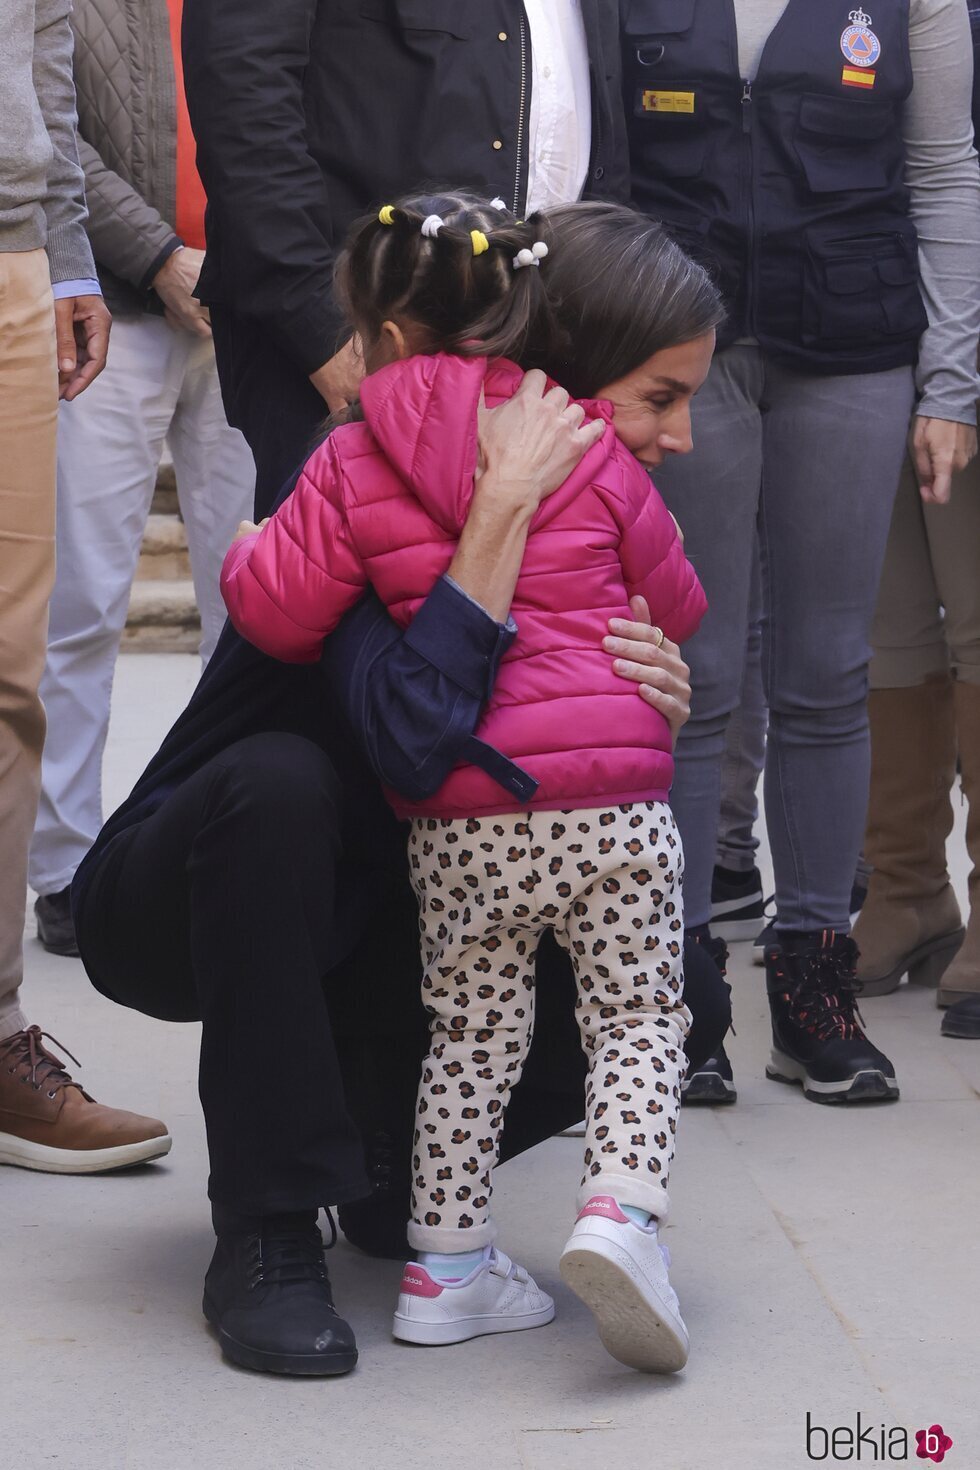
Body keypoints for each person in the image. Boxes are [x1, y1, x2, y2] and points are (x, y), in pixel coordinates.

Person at [71, 211, 731, 1377]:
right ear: (557, 379)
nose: (678, 437)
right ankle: (268, 1227)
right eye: (657, 397)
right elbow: (409, 735)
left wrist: (645, 694)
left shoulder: (582, 501)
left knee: (686, 978)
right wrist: (494, 517)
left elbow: (659, 639)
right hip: (204, 890)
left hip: (409, 893)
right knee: (279, 786)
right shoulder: (374, 471)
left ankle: (407, 1188)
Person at [623, 0, 980, 1104]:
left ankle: (812, 985)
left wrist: (951, 376)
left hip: (853, 348)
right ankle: (668, 993)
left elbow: (942, 167)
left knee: (830, 674)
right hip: (680, 349)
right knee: (694, 674)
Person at [181, 0, 628, 513]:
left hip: (552, 334)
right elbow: (243, 100)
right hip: (357, 343)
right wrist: (325, 335)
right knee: (347, 583)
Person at [29, 0, 256, 960]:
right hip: (111, 315)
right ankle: (64, 867)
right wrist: (162, 258)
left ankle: (218, 849)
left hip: (259, 316)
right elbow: (48, 134)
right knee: (79, 603)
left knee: (252, 605)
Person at [0, 0, 169, 1174]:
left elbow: (41, 56)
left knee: (11, 680)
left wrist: (63, 260)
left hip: (8, 257)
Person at [854, 1, 980, 1040]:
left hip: (967, 298)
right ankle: (902, 888)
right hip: (859, 297)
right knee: (886, 615)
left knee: (977, 614)